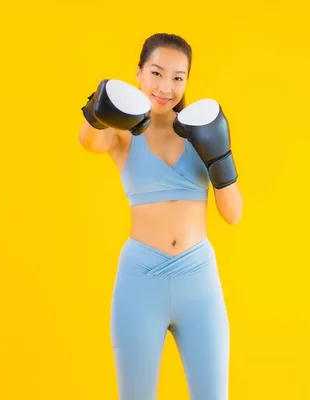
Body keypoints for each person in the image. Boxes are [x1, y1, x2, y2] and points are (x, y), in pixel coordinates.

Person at [77, 32, 243, 400]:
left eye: (178, 77)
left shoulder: (201, 132)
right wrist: (98, 106)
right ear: (138, 74)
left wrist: (219, 157)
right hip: (140, 281)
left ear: (187, 82)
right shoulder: (122, 134)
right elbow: (88, 141)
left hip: (198, 279)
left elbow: (233, 214)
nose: (166, 87)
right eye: (156, 73)